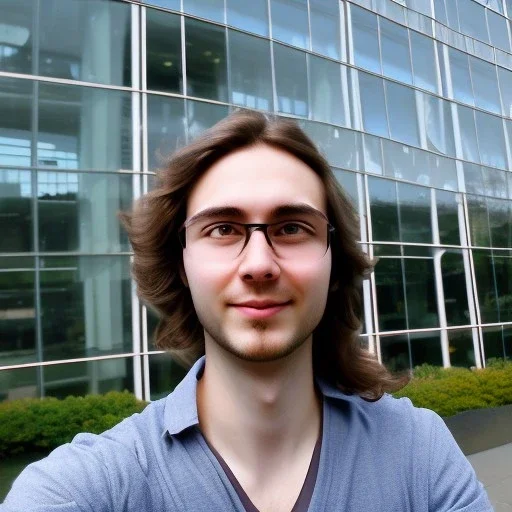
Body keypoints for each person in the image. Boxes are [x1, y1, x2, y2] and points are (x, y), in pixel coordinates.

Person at [2, 111, 491, 512]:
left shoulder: (420, 452)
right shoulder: (85, 488)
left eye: (293, 228)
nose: (259, 264)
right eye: (222, 230)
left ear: (333, 262)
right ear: (183, 264)